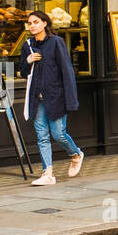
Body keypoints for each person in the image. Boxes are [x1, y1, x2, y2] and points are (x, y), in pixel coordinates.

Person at [22, 10, 83, 186]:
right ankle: (47, 173)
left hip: (56, 96)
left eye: (35, 22)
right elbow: (23, 73)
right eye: (30, 23)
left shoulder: (56, 42)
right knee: (42, 136)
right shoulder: (28, 45)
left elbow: (67, 71)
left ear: (44, 24)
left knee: (58, 134)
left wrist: (71, 99)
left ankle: (76, 154)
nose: (32, 26)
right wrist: (28, 60)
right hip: (37, 98)